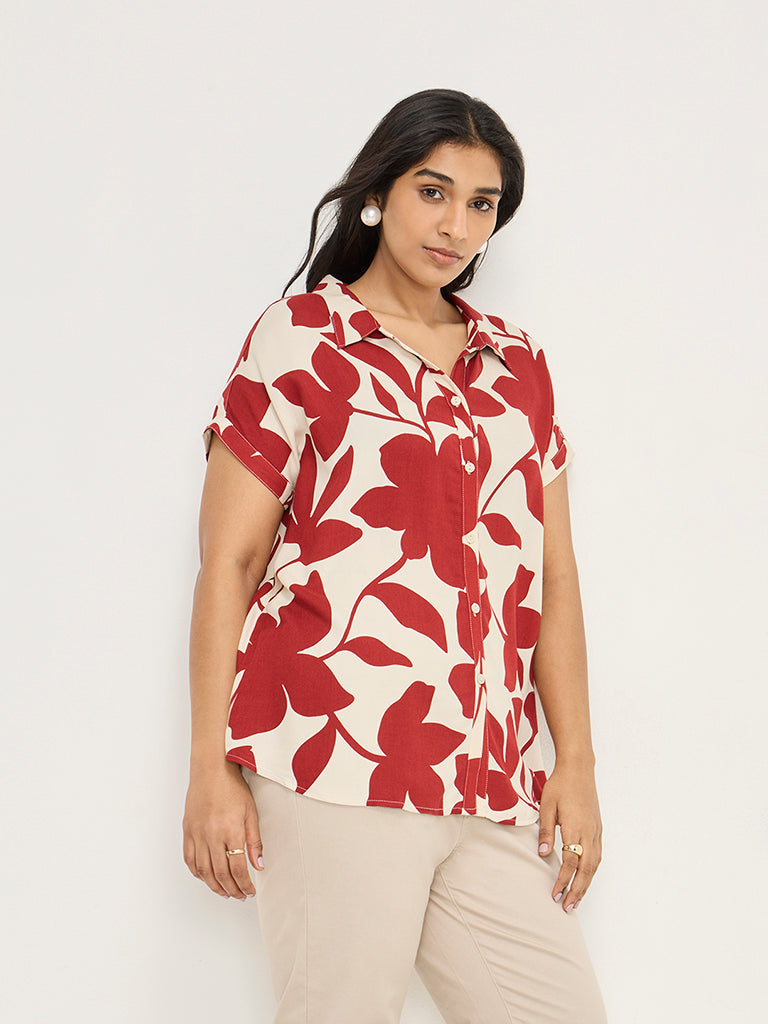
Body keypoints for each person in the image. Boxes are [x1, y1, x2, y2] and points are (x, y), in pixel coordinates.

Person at [183, 88, 607, 1024]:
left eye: (482, 204)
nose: (456, 226)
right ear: (378, 193)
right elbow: (230, 564)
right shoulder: (301, 337)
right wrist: (210, 767)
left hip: (490, 777)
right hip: (334, 757)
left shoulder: (519, 365)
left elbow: (554, 576)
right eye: (433, 191)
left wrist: (574, 763)